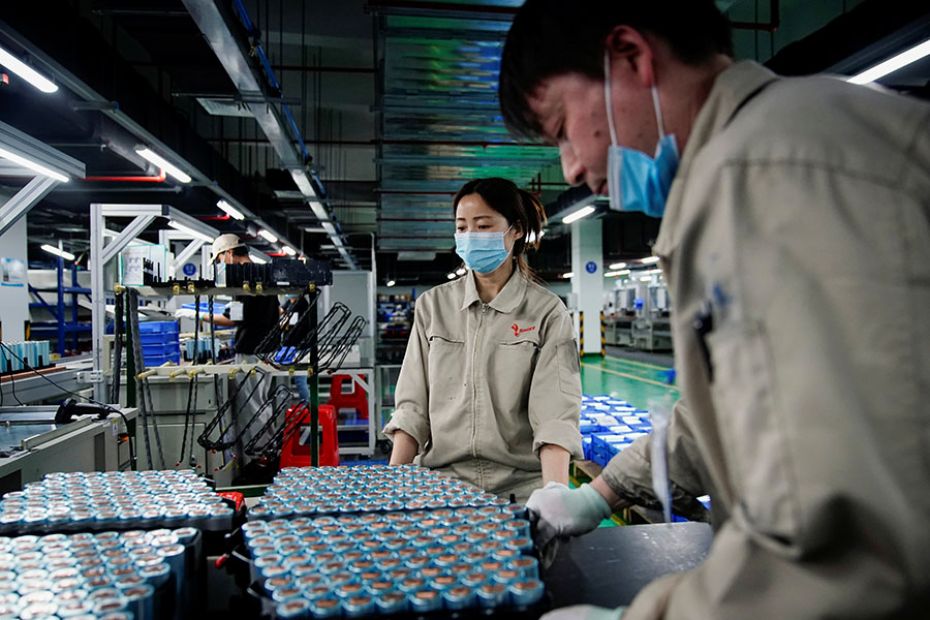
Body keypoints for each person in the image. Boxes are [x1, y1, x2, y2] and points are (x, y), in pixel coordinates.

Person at [499, 1, 930, 618]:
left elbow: (848, 549)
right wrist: (603, 491)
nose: (569, 165)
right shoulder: (773, 149)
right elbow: (743, 410)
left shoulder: (767, 177)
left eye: (564, 126)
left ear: (630, 57)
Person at [383, 177, 583, 503]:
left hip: (519, 492)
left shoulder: (546, 313)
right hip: (439, 490)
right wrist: (392, 487)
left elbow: (555, 417)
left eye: (483, 225)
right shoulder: (433, 307)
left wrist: (555, 497)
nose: (470, 237)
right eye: (462, 228)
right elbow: (412, 409)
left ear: (515, 230)